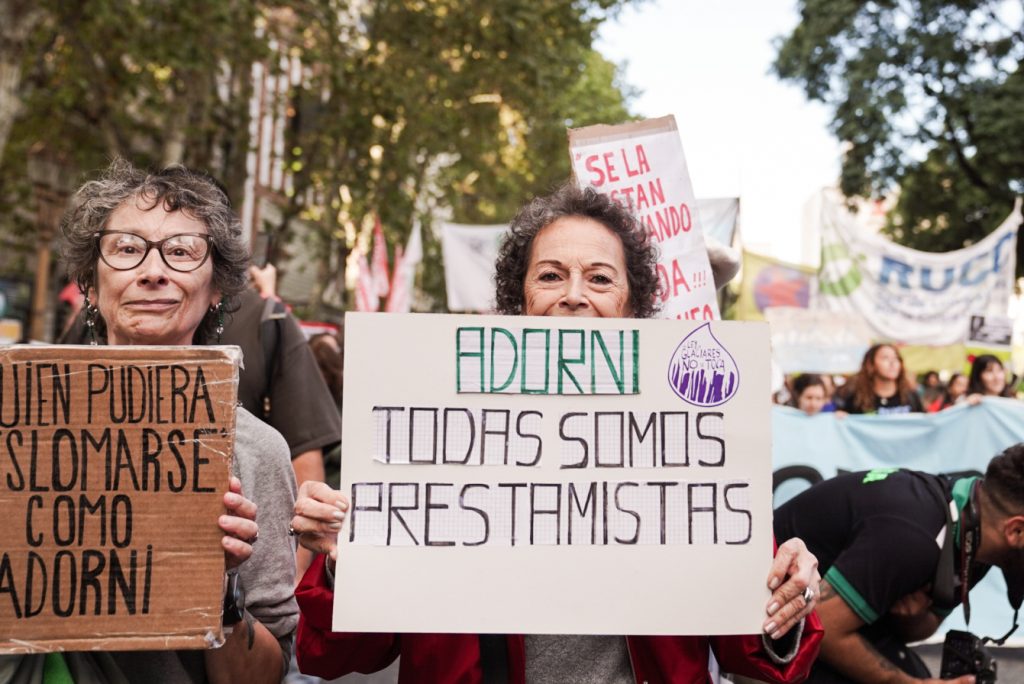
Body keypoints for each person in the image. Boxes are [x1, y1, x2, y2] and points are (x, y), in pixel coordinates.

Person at [289, 183, 823, 683]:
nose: (572, 295)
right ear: (519, 302)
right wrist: (344, 568)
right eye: (549, 276)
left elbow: (760, 656)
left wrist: (786, 591)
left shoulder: (687, 445)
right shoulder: (440, 437)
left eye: (599, 277)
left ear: (632, 307)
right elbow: (331, 655)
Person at [51, 159, 299, 683]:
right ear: (90, 285)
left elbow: (267, 674)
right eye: (126, 248)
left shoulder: (257, 450)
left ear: (216, 291)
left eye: (181, 251)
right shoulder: (18, 428)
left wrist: (220, 591)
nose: (153, 270)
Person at [775, 445, 1024, 683]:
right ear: (1016, 530)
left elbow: (920, 629)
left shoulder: (977, 531)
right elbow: (824, 627)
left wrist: (911, 619)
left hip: (823, 622)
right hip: (770, 624)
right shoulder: (917, 535)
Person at [833, 344, 922, 415]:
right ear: (871, 365)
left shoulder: (911, 397)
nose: (892, 363)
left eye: (896, 358)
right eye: (885, 358)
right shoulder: (856, 399)